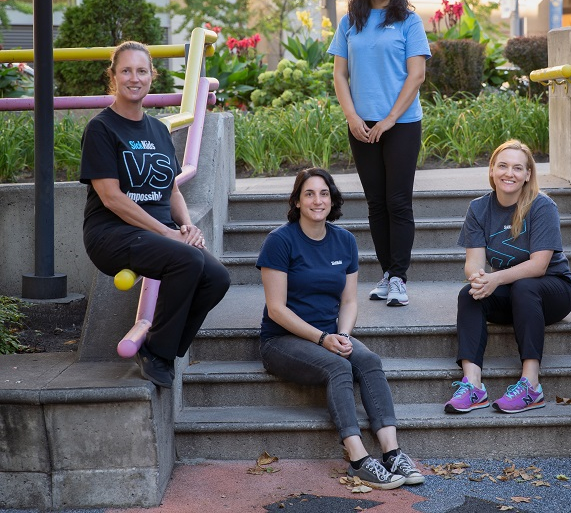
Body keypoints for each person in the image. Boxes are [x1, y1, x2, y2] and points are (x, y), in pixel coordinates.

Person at [257, 168, 425, 490]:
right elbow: (276, 310)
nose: (317, 200)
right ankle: (359, 458)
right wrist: (323, 338)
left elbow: (349, 302)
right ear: (296, 200)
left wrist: (343, 336)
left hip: (330, 334)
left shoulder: (344, 241)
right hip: (282, 340)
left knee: (369, 361)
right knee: (338, 367)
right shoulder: (279, 241)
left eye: (324, 193)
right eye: (309, 193)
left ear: (332, 199)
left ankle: (392, 452)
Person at [79, 41, 231, 389]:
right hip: (111, 233)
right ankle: (158, 353)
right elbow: (111, 198)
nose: (135, 78)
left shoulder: (159, 130)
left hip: (157, 232)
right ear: (114, 76)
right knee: (188, 262)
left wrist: (186, 225)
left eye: (142, 71)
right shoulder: (101, 128)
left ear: (152, 76)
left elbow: (172, 189)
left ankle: (159, 347)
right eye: (127, 70)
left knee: (217, 278)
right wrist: (167, 234)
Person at [328, 0, 431, 307]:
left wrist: (388, 120)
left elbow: (416, 74)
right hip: (361, 124)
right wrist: (352, 116)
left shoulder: (409, 21)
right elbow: (340, 73)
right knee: (376, 203)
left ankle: (399, 277)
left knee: (398, 201)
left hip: (401, 123)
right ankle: (387, 274)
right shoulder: (349, 21)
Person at [444, 140, 571, 415]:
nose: (509, 173)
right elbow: (474, 263)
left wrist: (495, 279)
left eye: (518, 168)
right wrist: (479, 279)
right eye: (502, 166)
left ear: (528, 174)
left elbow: (539, 266)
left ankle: (531, 385)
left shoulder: (542, 206)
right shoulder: (479, 208)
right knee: (469, 294)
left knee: (524, 287)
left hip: (554, 292)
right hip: (512, 292)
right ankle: (473, 385)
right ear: (492, 170)